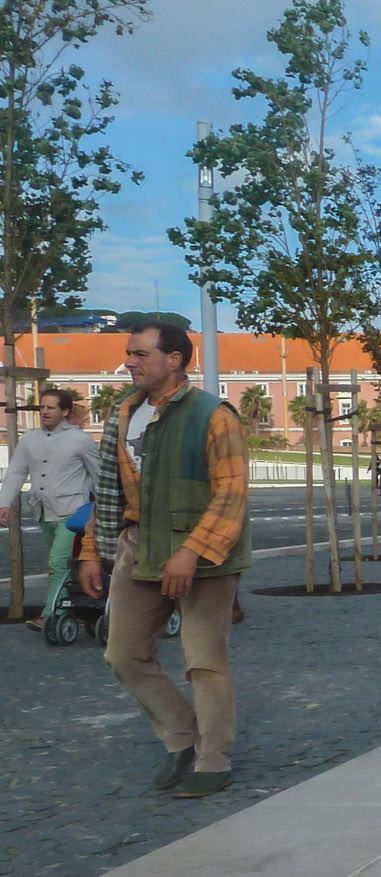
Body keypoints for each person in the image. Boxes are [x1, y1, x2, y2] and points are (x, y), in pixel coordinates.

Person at [78, 322, 251, 797]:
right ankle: (181, 735)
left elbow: (232, 493)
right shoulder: (123, 413)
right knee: (123, 653)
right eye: (128, 354)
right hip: (139, 544)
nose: (128, 362)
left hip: (205, 554)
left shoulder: (213, 415)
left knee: (204, 660)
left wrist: (190, 553)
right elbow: (107, 489)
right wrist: (92, 549)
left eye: (139, 354)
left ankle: (213, 758)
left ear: (174, 360)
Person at [0, 388, 99, 629]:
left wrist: (104, 509)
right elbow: (16, 472)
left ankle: (50, 614)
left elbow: (99, 473)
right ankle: (81, 608)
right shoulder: (29, 439)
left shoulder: (80, 439)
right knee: (67, 565)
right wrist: (5, 503)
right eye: (42, 407)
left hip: (74, 513)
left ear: (64, 411)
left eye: (51, 407)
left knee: (58, 562)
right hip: (43, 510)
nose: (44, 411)